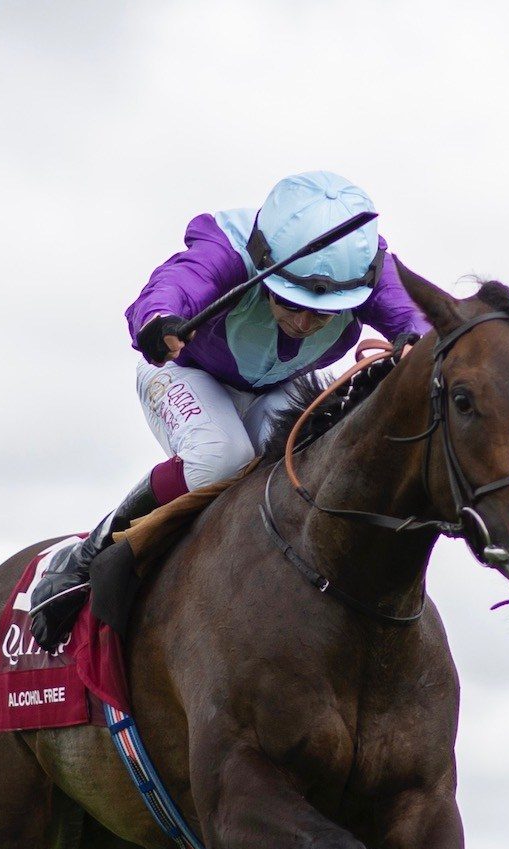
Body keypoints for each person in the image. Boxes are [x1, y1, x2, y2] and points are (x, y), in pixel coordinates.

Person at [27, 170, 433, 648]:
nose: (304, 323)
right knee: (223, 457)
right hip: (184, 371)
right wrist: (159, 320)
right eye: (290, 302)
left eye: (323, 312)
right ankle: (86, 554)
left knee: (308, 464)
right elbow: (176, 284)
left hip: (278, 386)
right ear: (264, 263)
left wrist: (420, 343)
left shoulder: (368, 266)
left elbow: (420, 319)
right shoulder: (227, 247)